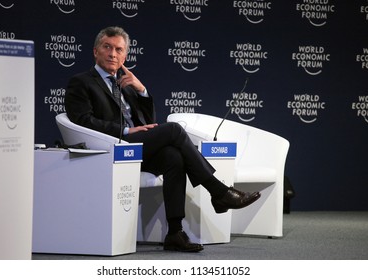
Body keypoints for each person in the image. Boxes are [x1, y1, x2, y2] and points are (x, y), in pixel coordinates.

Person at [65, 26, 261, 253]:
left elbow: (149, 122)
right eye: (107, 47)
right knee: (175, 130)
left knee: (173, 156)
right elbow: (83, 121)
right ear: (95, 51)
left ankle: (175, 233)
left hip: (137, 149)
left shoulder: (126, 85)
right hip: (113, 148)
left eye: (119, 49)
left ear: (125, 56)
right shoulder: (81, 82)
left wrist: (141, 90)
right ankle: (219, 192)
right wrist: (127, 132)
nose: (113, 54)